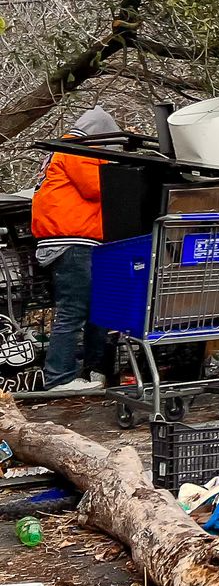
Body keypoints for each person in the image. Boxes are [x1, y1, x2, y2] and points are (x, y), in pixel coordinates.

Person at [31, 106, 120, 394]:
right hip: (72, 240)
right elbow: (98, 188)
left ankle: (93, 370)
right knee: (73, 309)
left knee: (96, 307)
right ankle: (59, 377)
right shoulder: (77, 147)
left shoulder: (64, 150)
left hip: (70, 238)